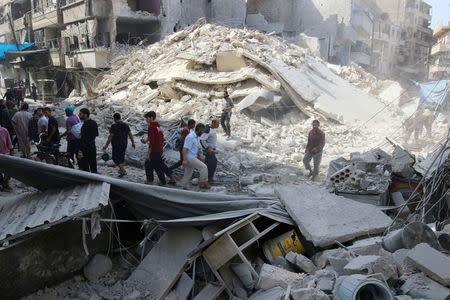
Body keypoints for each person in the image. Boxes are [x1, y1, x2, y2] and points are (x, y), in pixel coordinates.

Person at [142, 111, 176, 185]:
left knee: (150, 164)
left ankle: (151, 181)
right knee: (159, 165)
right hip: (160, 149)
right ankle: (169, 179)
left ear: (151, 118)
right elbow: (161, 138)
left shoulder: (151, 127)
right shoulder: (158, 126)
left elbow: (152, 142)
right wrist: (145, 140)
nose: (146, 120)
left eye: (147, 118)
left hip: (155, 150)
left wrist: (148, 154)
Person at [182, 123, 209, 189]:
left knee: (188, 173)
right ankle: (202, 184)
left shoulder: (196, 137)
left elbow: (195, 148)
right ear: (199, 130)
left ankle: (184, 187)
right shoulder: (190, 137)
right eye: (202, 131)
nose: (203, 133)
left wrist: (199, 156)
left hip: (192, 157)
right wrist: (184, 160)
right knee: (204, 167)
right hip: (190, 158)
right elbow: (184, 149)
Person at [78, 108, 98, 173]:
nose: (79, 115)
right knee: (93, 166)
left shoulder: (86, 124)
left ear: (85, 115)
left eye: (80, 114)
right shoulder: (93, 123)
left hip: (85, 148)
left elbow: (86, 137)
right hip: (92, 147)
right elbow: (95, 134)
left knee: (85, 167)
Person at [200, 118, 219, 183]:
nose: (218, 125)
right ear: (213, 123)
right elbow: (202, 140)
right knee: (213, 163)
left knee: (208, 164)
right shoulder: (208, 130)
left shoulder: (212, 129)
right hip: (208, 151)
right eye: (217, 124)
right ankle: (209, 178)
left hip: (211, 150)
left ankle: (205, 177)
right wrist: (207, 148)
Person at [0, 123, 14, 191]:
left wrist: (11, 151)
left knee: (8, 171)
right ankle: (3, 184)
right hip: (5, 153)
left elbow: (9, 142)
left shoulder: (4, 130)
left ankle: (5, 183)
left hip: (5, 153)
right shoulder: (4, 130)